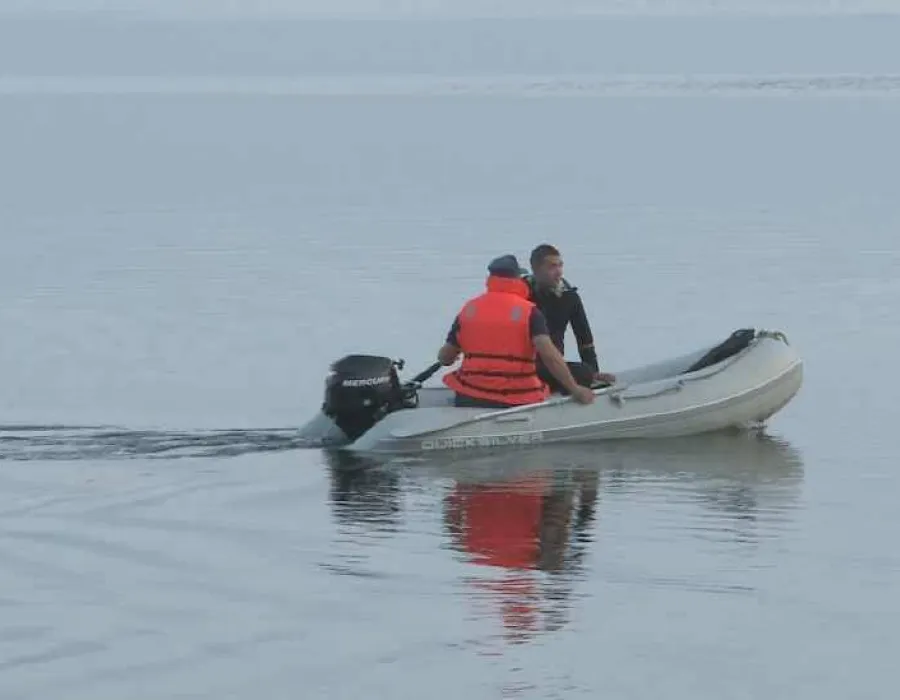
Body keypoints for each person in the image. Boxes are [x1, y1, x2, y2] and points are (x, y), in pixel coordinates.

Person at [437, 254, 595, 407]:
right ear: (517, 279)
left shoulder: (469, 309)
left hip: (469, 394)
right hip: (515, 396)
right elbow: (550, 356)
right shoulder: (529, 311)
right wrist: (575, 389)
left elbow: (445, 358)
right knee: (582, 372)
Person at [523, 243, 616, 394]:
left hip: (554, 366)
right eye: (552, 267)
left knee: (584, 372)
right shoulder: (522, 297)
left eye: (560, 266)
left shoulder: (569, 297)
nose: (559, 272)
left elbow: (585, 339)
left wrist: (594, 373)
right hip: (527, 365)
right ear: (536, 270)